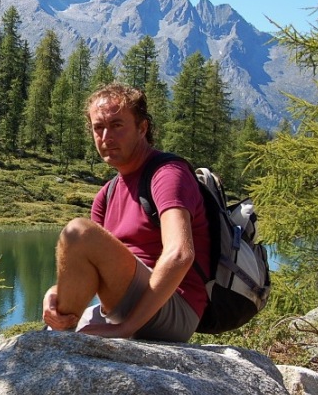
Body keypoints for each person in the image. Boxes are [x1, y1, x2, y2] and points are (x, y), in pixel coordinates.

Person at [42, 83, 210, 342]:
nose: (106, 137)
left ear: (142, 128)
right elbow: (94, 271)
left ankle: (58, 342)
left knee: (78, 232)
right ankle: (58, 337)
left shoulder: (167, 174)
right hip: (122, 306)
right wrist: (54, 295)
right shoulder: (107, 194)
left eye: (117, 125)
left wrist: (125, 328)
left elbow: (179, 254)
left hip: (173, 308)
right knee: (62, 323)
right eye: (99, 128)